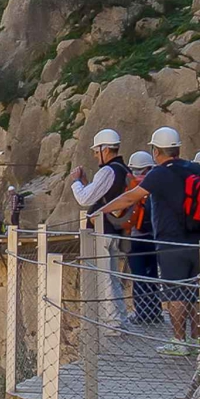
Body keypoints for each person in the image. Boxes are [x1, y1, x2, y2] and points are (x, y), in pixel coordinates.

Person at [102, 127, 200, 355]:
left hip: (172, 241)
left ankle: (178, 341)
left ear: (156, 151)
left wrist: (100, 211)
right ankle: (196, 339)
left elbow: (131, 197)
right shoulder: (196, 168)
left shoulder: (159, 173)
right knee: (195, 291)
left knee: (175, 292)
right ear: (178, 148)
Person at [70, 128, 132, 326]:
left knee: (105, 279)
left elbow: (84, 198)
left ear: (105, 149)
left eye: (97, 152)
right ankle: (120, 319)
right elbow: (103, 195)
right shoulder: (124, 169)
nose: (96, 156)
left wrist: (76, 182)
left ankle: (112, 324)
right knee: (112, 278)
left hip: (103, 230)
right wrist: (88, 182)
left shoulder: (108, 170)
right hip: (115, 228)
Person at [122, 151, 162, 325]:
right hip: (153, 238)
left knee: (138, 277)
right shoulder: (156, 185)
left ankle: (142, 313)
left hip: (135, 238)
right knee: (152, 275)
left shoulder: (131, 186)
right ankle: (155, 311)